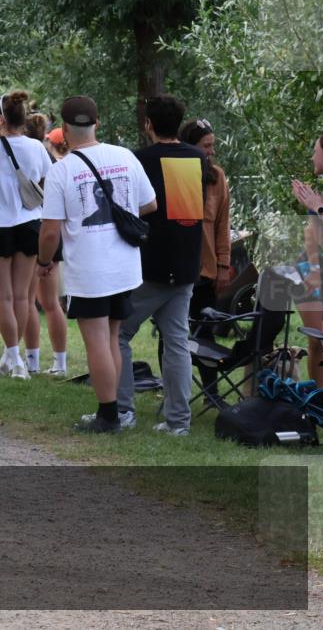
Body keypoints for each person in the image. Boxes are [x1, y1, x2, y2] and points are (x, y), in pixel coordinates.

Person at [38, 95, 157, 434]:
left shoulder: (61, 171)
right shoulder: (124, 156)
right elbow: (150, 204)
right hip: (124, 267)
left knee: (97, 343)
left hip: (89, 271)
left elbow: (49, 230)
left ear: (63, 128)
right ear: (97, 124)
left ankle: (107, 416)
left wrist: (44, 262)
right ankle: (115, 410)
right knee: (114, 337)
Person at [110, 95, 206, 436]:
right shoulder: (196, 158)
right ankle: (179, 422)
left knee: (119, 333)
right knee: (177, 340)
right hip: (185, 263)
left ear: (148, 124)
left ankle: (123, 412)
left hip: (150, 265)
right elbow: (186, 216)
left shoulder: (140, 159)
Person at [0, 91, 53, 379]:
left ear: (2, 119)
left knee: (3, 297)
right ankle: (12, 358)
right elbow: (44, 183)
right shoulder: (37, 147)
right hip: (30, 224)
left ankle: (14, 358)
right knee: (21, 297)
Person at [179, 118, 232, 401]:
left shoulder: (218, 177)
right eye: (205, 146)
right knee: (172, 334)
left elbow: (222, 224)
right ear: (190, 147)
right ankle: (175, 391)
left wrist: (223, 264)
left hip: (207, 270)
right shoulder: (175, 174)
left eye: (212, 145)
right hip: (177, 268)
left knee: (205, 333)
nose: (211, 151)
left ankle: (211, 392)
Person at [22, 112, 68, 375]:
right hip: (52, 230)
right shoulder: (51, 160)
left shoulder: (25, 156)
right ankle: (60, 363)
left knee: (29, 301)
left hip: (32, 230)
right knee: (51, 303)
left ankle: (33, 361)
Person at [290, 128, 323, 386]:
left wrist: (318, 208)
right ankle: (318, 402)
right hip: (318, 271)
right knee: (316, 340)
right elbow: (312, 232)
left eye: (315, 152)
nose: (313, 158)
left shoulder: (321, 201)